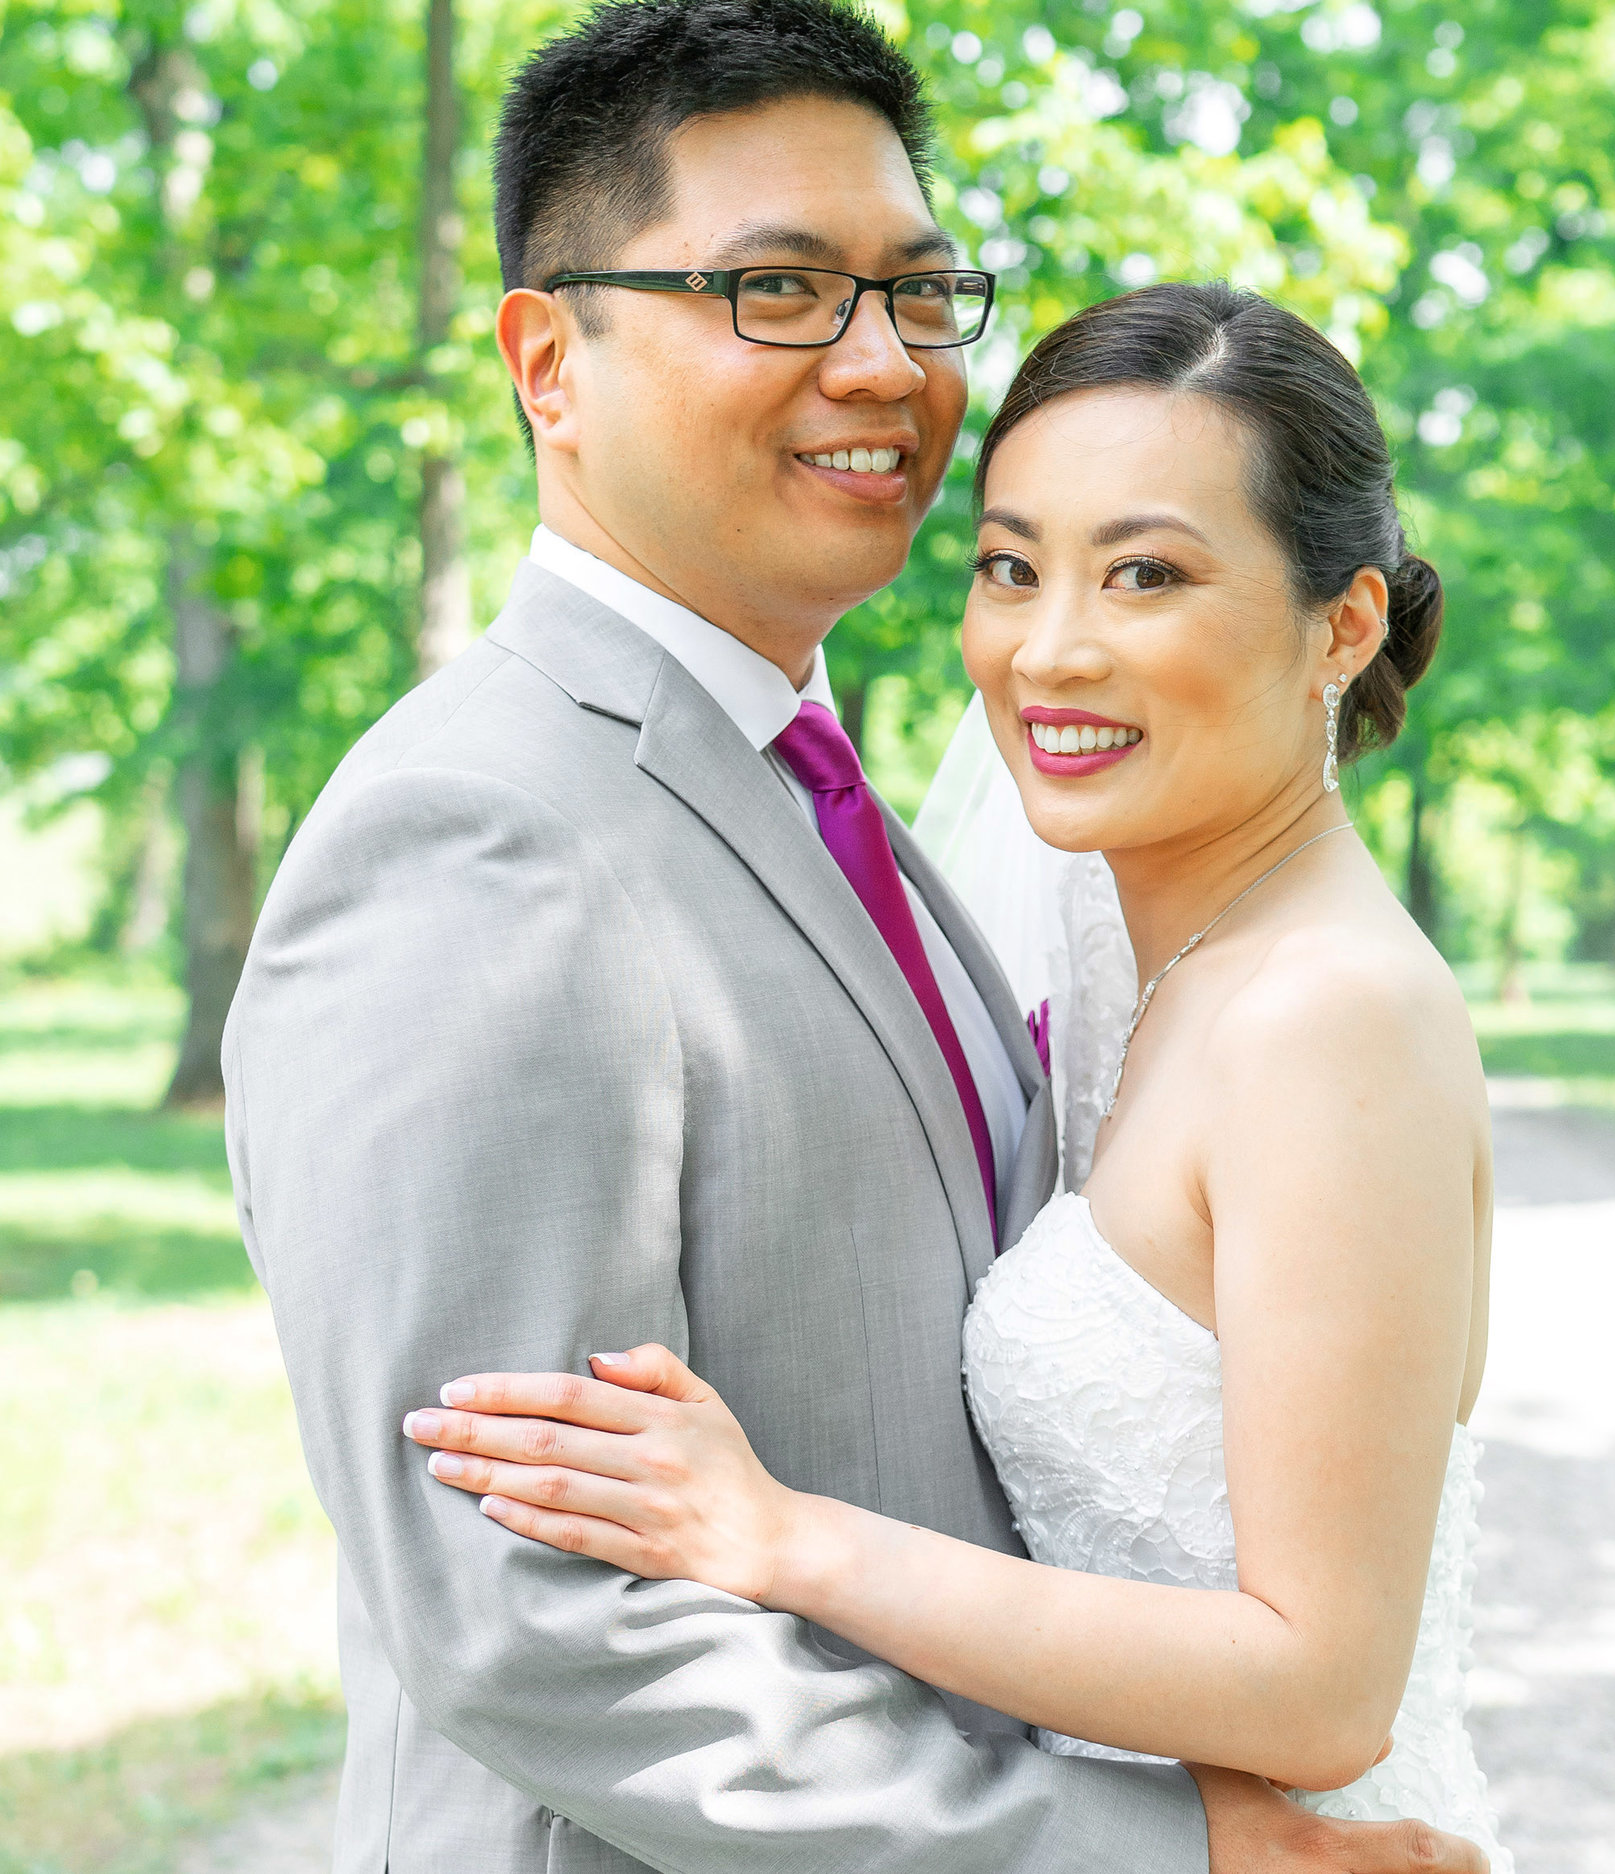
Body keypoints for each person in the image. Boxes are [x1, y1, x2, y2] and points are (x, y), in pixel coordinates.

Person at [225, 0, 1489, 1868]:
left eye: (915, 292)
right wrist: (1158, 1850)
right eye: (781, 292)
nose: (884, 363)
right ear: (547, 359)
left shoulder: (837, 800)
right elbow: (543, 1620)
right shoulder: (479, 840)